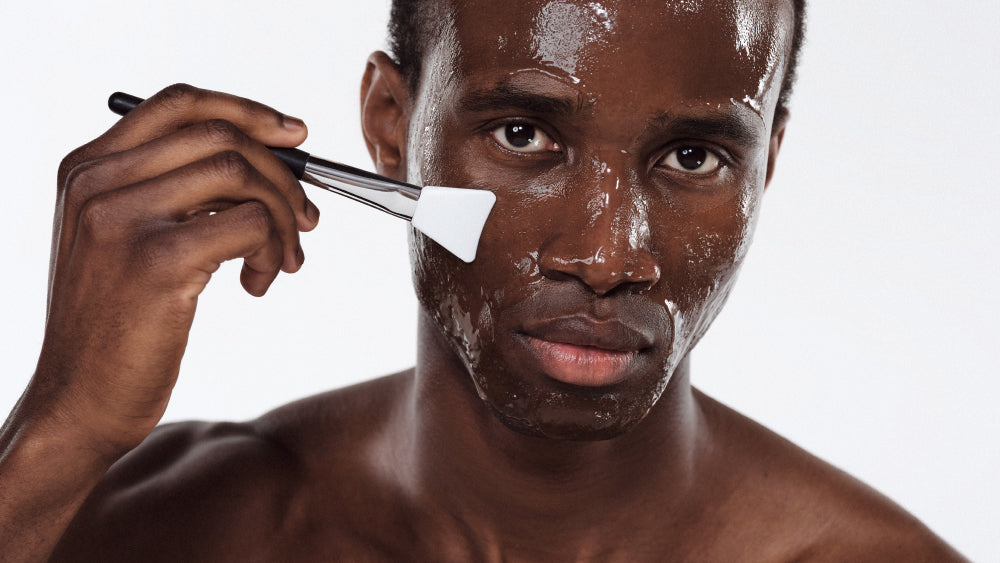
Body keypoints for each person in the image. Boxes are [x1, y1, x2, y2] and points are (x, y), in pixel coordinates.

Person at [0, 0, 967, 560]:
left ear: (768, 165)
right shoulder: (185, 527)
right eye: (523, 136)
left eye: (694, 159)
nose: (606, 256)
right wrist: (60, 430)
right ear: (390, 121)